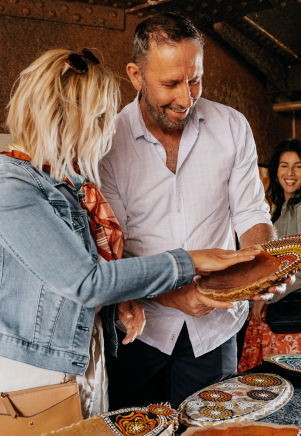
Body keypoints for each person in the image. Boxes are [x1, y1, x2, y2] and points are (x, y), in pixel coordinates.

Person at [0, 48, 259, 418]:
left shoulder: (67, 183)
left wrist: (116, 304)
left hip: (84, 353)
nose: (106, 129)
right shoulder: (9, 185)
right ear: (61, 118)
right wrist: (189, 260)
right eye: (98, 118)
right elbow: (85, 280)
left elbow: (71, 283)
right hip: (32, 368)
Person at [100, 12, 293, 410]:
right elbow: (112, 250)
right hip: (138, 331)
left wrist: (262, 266)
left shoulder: (232, 126)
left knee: (212, 430)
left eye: (194, 79)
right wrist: (175, 294)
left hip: (217, 329)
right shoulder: (107, 142)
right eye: (171, 83)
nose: (187, 98)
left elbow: (253, 216)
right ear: (136, 75)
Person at [238, 139, 301, 374]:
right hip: (279, 310)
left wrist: (265, 298)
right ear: (276, 170)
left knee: (284, 384)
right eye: (284, 165)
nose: (290, 173)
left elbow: (298, 265)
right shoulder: (280, 206)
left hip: (290, 316)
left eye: (298, 166)